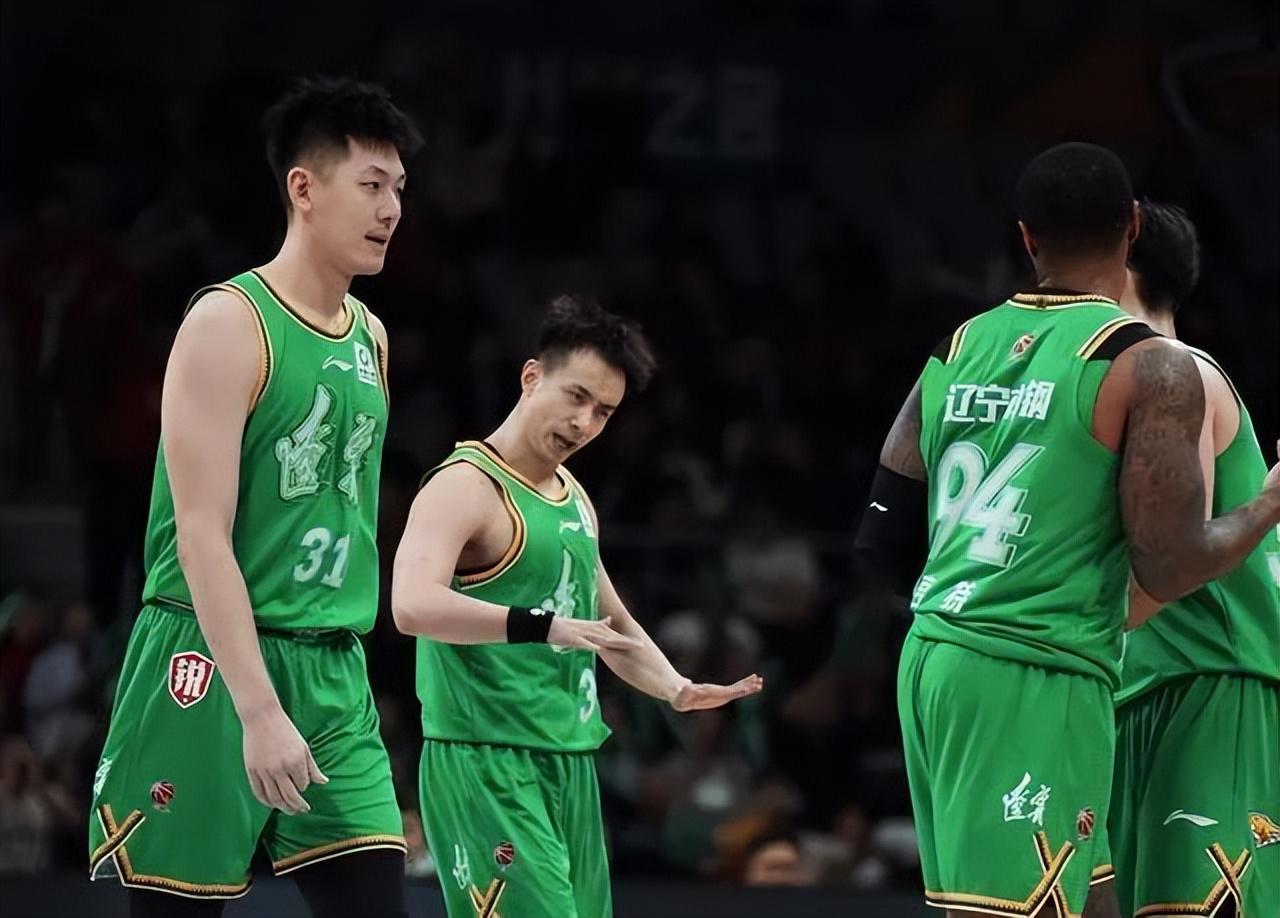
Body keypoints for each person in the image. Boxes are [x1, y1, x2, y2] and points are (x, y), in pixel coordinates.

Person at [854, 143, 1280, 918]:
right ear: (1132, 225)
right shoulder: (1149, 364)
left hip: (936, 656)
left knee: (1091, 900)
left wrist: (969, 596)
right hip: (1035, 664)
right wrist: (1264, 508)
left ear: (1026, 236)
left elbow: (881, 534)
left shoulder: (957, 346)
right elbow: (1170, 565)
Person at [88, 77, 422, 918]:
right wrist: (259, 708)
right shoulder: (228, 323)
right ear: (303, 189)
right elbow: (200, 535)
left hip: (331, 669)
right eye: (370, 185)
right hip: (208, 661)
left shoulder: (373, 337)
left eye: (398, 189)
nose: (391, 209)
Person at [392, 295, 764, 917]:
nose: (585, 422)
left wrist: (675, 688)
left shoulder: (573, 497)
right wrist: (543, 627)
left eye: (604, 411)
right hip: (486, 760)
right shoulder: (464, 485)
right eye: (576, 396)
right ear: (531, 376)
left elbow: (609, 622)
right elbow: (410, 604)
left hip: (570, 762)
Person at [1108, 201, 1280, 917]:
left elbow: (1173, 565)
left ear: (1121, 261)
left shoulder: (1182, 374)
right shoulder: (1123, 384)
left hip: (1212, 679)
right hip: (1139, 683)